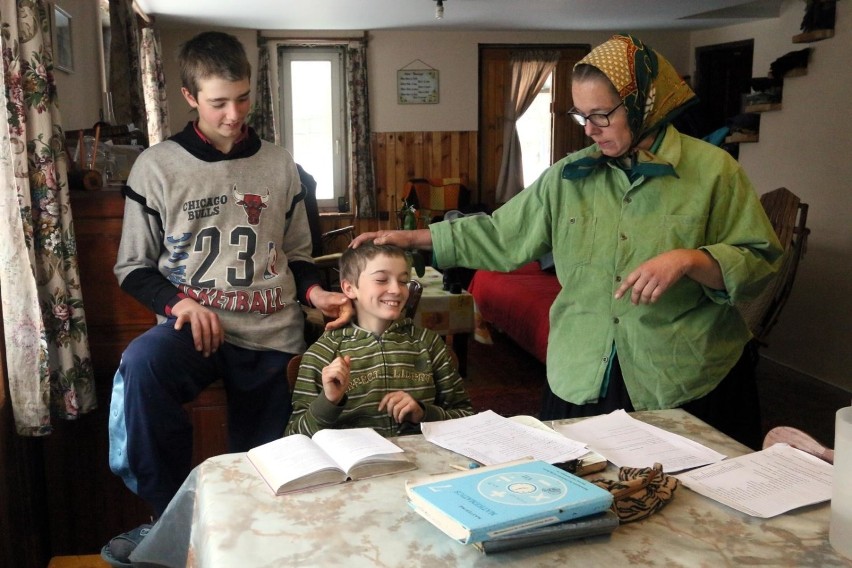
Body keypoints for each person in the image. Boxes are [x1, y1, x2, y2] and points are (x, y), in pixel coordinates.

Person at [352, 34, 783, 451]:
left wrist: (690, 259)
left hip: (683, 372)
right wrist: (412, 237)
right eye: (581, 116)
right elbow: (502, 233)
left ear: (644, 103)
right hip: (583, 368)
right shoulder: (569, 176)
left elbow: (758, 260)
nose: (590, 130)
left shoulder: (714, 171)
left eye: (602, 114)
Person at [102, 31, 352, 566]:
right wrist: (180, 303)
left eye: (243, 98)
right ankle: (166, 519)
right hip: (193, 327)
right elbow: (132, 268)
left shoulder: (282, 165)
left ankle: (255, 542)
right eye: (219, 102)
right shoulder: (157, 166)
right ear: (191, 97)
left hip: (271, 329)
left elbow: (298, 255)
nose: (235, 114)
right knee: (141, 368)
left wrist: (316, 293)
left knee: (267, 463)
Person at [286, 241, 474, 437]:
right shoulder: (322, 354)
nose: (396, 290)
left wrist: (424, 413)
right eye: (382, 279)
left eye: (403, 281)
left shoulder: (429, 344)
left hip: (425, 462)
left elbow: (467, 416)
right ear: (349, 288)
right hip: (353, 465)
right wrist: (328, 401)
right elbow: (294, 437)